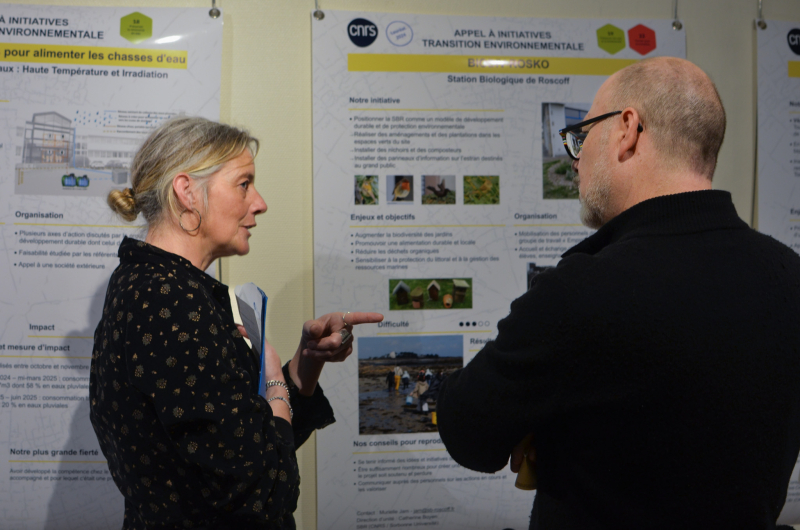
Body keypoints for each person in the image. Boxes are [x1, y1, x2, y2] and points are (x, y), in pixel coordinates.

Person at [437, 57, 800, 529]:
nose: (575, 157)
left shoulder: (581, 292)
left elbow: (468, 433)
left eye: (582, 137)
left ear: (627, 129)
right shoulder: (789, 276)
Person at [89, 116, 382, 529]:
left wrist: (303, 365)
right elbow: (263, 490)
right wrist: (276, 382)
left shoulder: (154, 286)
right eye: (244, 183)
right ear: (187, 191)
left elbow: (242, 449)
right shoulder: (172, 302)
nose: (259, 202)